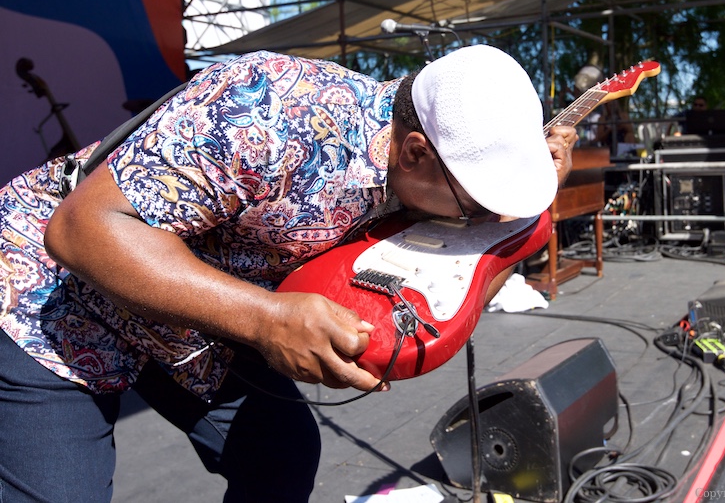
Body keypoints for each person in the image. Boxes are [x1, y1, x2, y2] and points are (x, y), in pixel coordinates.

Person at [0, 45, 578, 502]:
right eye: (475, 202)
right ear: (414, 153)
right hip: (54, 296)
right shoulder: (265, 109)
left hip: (183, 314)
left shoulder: (424, 167)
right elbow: (82, 230)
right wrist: (265, 318)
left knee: (281, 454)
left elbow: (479, 251)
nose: (479, 216)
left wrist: (525, 187)